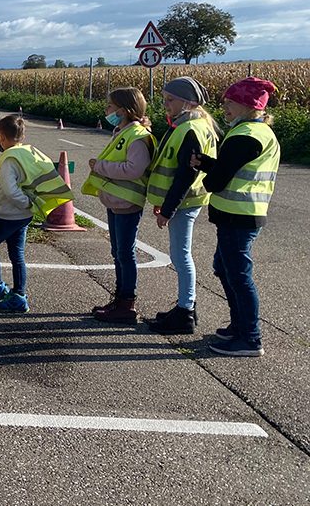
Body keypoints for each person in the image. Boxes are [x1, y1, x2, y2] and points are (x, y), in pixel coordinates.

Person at [192, 77, 280, 357]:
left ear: (247, 105)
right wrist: (209, 163)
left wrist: (208, 172)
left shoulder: (244, 135)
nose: (225, 107)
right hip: (243, 213)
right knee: (225, 268)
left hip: (237, 215)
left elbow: (217, 181)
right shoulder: (258, 131)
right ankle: (239, 327)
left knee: (238, 276)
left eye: (230, 102)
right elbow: (233, 168)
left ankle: (250, 338)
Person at [0, 114, 73, 313]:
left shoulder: (9, 159)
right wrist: (29, 205)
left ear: (1, 137)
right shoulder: (28, 152)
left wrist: (25, 203)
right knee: (17, 254)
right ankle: (19, 295)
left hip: (7, 214)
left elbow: (10, 190)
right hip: (23, 215)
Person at [146, 77, 218, 334]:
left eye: (170, 100)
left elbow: (186, 175)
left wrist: (168, 209)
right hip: (186, 200)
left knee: (180, 255)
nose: (165, 104)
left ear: (188, 102)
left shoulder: (190, 129)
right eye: (165, 99)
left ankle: (185, 311)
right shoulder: (193, 125)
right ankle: (185, 308)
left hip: (185, 201)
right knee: (180, 254)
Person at [82, 87, 156, 325]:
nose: (107, 110)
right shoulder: (123, 131)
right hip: (116, 200)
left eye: (110, 106)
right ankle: (120, 299)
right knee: (118, 252)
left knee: (125, 253)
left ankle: (127, 303)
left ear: (123, 110)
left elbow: (134, 169)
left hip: (127, 202)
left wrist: (100, 166)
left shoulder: (137, 136)